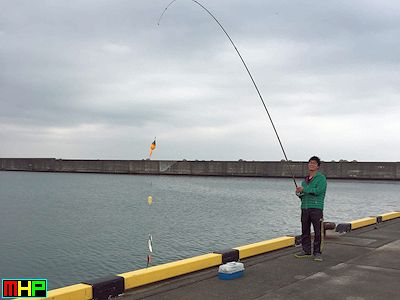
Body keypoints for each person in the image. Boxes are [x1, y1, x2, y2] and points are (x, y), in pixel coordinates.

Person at [294, 156, 327, 262]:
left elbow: (318, 191)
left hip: (316, 208)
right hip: (305, 208)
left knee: (318, 231)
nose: (311, 165)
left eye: (314, 163)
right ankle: (306, 250)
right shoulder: (305, 180)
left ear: (318, 166)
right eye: (310, 163)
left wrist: (305, 189)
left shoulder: (321, 178)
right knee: (305, 230)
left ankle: (317, 252)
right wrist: (299, 193)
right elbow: (304, 195)